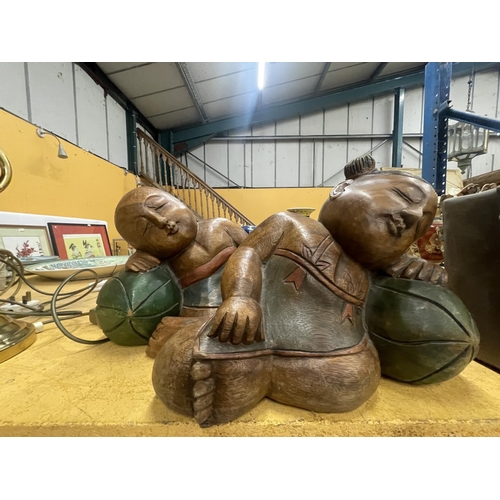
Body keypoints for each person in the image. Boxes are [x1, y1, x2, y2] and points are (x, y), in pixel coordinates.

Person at [151, 157, 447, 427]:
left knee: (355, 378)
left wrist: (417, 272)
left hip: (333, 355)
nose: (411, 216)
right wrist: (241, 296)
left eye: (419, 227)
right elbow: (248, 255)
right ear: (343, 187)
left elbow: (411, 310)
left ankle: (257, 374)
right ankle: (241, 363)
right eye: (405, 197)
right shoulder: (289, 223)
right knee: (177, 368)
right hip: (253, 332)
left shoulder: (373, 268)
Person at [114, 186, 248, 355]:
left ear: (178, 202)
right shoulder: (163, 260)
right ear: (145, 248)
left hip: (245, 302)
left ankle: (190, 330)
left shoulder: (222, 226)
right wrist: (136, 263)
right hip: (200, 312)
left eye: (160, 206)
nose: (161, 221)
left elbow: (260, 259)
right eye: (145, 228)